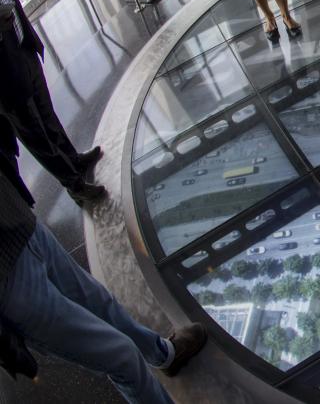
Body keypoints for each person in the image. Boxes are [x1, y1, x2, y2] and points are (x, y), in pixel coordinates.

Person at [0, 169, 208, 402]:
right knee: (121, 357)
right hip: (9, 283)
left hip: (17, 220)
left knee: (99, 301)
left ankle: (164, 354)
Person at [0, 0, 103, 205]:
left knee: (47, 117)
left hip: (22, 46)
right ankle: (74, 185)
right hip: (6, 75)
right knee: (36, 134)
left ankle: (73, 160)